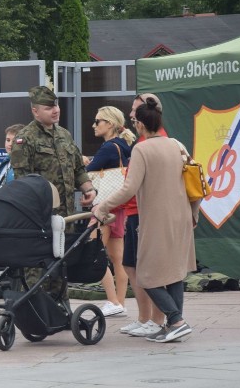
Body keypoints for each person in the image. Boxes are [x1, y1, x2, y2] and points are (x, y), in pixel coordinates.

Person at [93, 96, 197, 343]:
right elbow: (195, 179)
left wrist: (102, 206)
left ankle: (176, 319)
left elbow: (129, 189)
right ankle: (175, 323)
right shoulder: (176, 145)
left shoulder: (142, 149)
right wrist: (194, 212)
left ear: (139, 125)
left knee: (146, 274)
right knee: (173, 273)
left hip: (155, 218)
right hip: (180, 216)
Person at [9, 86, 96, 301]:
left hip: (66, 215)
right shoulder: (25, 139)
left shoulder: (64, 135)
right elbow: (23, 182)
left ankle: (60, 309)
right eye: (49, 108)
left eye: (56, 105)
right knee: (39, 265)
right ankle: (35, 308)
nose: (55, 110)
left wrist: (88, 189)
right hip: (41, 216)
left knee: (62, 261)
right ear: (35, 111)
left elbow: (78, 169)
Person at [118, 93, 168, 337]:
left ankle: (158, 320)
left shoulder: (155, 142)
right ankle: (145, 318)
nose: (131, 115)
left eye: (136, 111)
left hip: (144, 213)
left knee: (150, 269)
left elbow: (132, 186)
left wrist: (106, 206)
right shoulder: (142, 142)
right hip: (133, 212)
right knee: (131, 265)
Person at [83, 106, 135, 318]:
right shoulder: (123, 146)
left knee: (93, 252)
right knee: (118, 257)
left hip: (104, 207)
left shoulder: (107, 148)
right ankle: (120, 303)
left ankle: (112, 301)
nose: (94, 125)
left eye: (98, 121)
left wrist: (84, 161)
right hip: (119, 207)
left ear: (110, 124)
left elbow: (87, 172)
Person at [0, 123, 25, 190]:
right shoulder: (6, 161)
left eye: (14, 141)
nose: (10, 144)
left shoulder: (27, 163)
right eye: (8, 140)